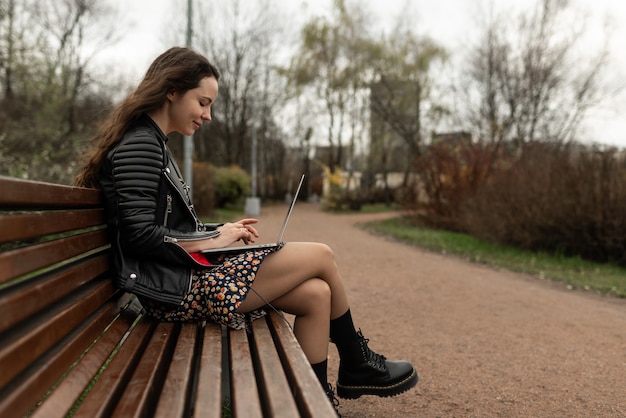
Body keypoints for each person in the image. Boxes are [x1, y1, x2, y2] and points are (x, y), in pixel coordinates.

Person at [74, 46, 418, 415]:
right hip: (176, 291)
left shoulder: (152, 142)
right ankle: (356, 363)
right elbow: (139, 235)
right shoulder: (141, 145)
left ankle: (314, 404)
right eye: (202, 102)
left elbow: (165, 228)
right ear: (171, 91)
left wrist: (218, 231)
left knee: (317, 294)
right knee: (322, 254)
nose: (208, 115)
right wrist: (214, 240)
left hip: (181, 280)